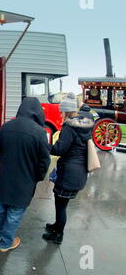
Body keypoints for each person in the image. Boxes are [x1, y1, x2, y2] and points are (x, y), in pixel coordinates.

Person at [0, 97, 51, 252]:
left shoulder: (6, 127)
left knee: (1, 208)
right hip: (25, 179)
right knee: (14, 213)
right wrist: (38, 176)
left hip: (5, 177)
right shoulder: (40, 132)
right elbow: (44, 161)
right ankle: (6, 243)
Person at [43, 93, 94, 244]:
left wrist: (45, 145)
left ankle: (58, 235)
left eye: (62, 111)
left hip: (69, 173)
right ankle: (56, 225)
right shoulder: (87, 124)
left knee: (61, 205)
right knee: (62, 204)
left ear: (67, 111)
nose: (60, 114)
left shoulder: (69, 127)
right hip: (80, 172)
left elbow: (59, 149)